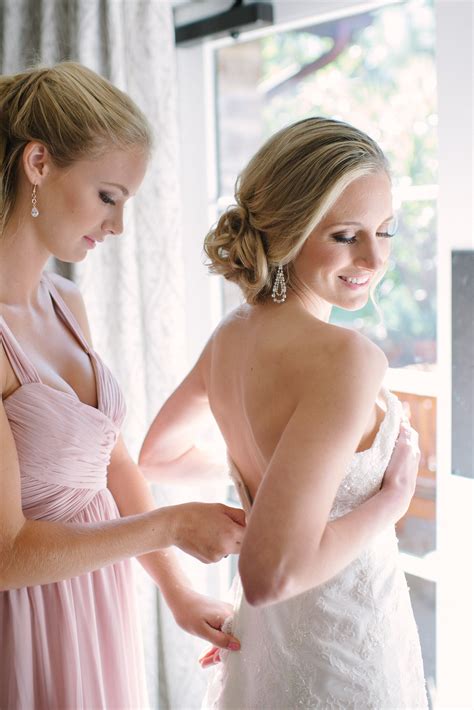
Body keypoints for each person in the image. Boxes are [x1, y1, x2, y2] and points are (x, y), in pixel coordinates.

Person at [139, 117, 428, 708]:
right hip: (345, 655)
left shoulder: (232, 335)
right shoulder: (346, 359)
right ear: (290, 233)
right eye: (347, 235)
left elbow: (159, 456)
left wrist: (278, 495)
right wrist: (390, 503)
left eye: (386, 230)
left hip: (268, 648)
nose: (375, 257)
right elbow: (269, 576)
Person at [0, 62, 246, 710]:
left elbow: (110, 458)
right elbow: (8, 553)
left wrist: (177, 591)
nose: (118, 226)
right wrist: (168, 524)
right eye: (109, 196)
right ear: (39, 164)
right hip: (20, 620)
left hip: (94, 601)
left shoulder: (66, 304)